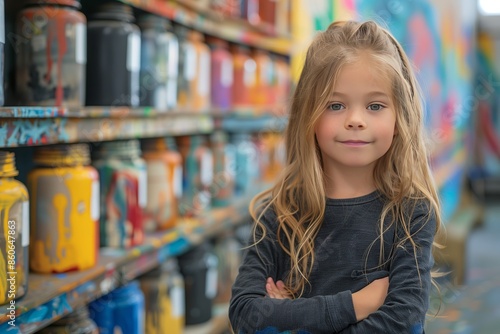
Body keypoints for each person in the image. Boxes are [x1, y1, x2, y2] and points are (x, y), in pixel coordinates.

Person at [229, 20, 442, 333]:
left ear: (399, 118)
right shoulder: (280, 213)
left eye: (375, 105)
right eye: (336, 105)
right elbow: (246, 314)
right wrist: (358, 305)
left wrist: (289, 315)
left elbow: (403, 321)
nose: (355, 120)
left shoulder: (411, 212)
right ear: (309, 115)